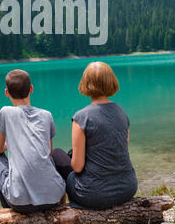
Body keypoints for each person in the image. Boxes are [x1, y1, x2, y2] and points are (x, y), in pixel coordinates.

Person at [52, 61, 138, 209]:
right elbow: (118, 152)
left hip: (94, 194)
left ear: (86, 83)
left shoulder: (82, 117)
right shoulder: (122, 112)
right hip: (128, 188)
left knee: (57, 154)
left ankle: (59, 208)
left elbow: (78, 167)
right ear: (111, 82)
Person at [0, 69, 66, 213]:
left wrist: (12, 143)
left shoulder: (6, 112)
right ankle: (59, 202)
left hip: (20, 203)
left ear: (7, 93)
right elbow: (47, 152)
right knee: (50, 158)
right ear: (31, 89)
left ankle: (7, 209)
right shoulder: (46, 115)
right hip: (53, 198)